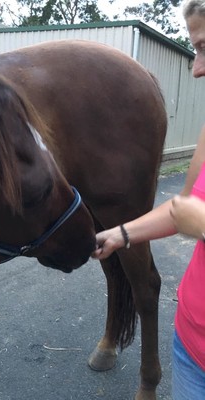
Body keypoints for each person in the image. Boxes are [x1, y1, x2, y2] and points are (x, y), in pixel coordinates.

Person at [91, 1, 205, 399]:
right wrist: (120, 234)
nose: (196, 69)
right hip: (191, 343)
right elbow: (183, 209)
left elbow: (197, 217)